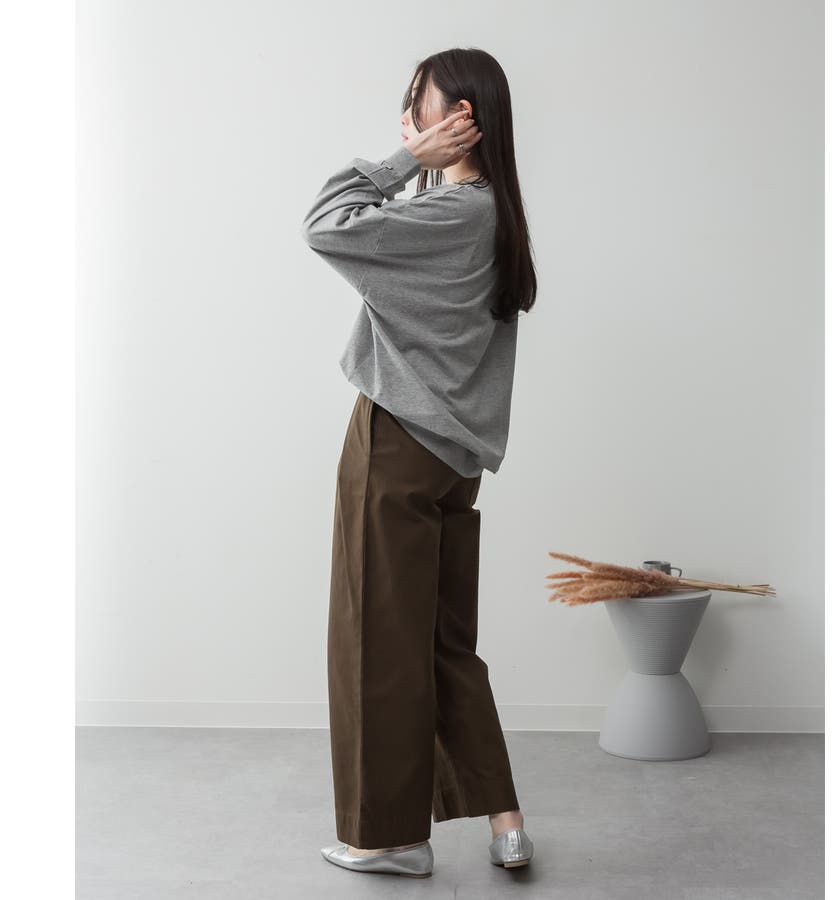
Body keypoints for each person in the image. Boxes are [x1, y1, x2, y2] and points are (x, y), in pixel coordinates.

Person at [301, 48, 537, 878]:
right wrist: (419, 166)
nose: (407, 113)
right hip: (455, 460)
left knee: (375, 639)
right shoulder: (496, 214)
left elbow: (326, 224)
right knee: (442, 645)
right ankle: (505, 820)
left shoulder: (447, 213)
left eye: (420, 101)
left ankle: (388, 838)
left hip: (398, 443)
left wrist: (404, 161)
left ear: (461, 118)